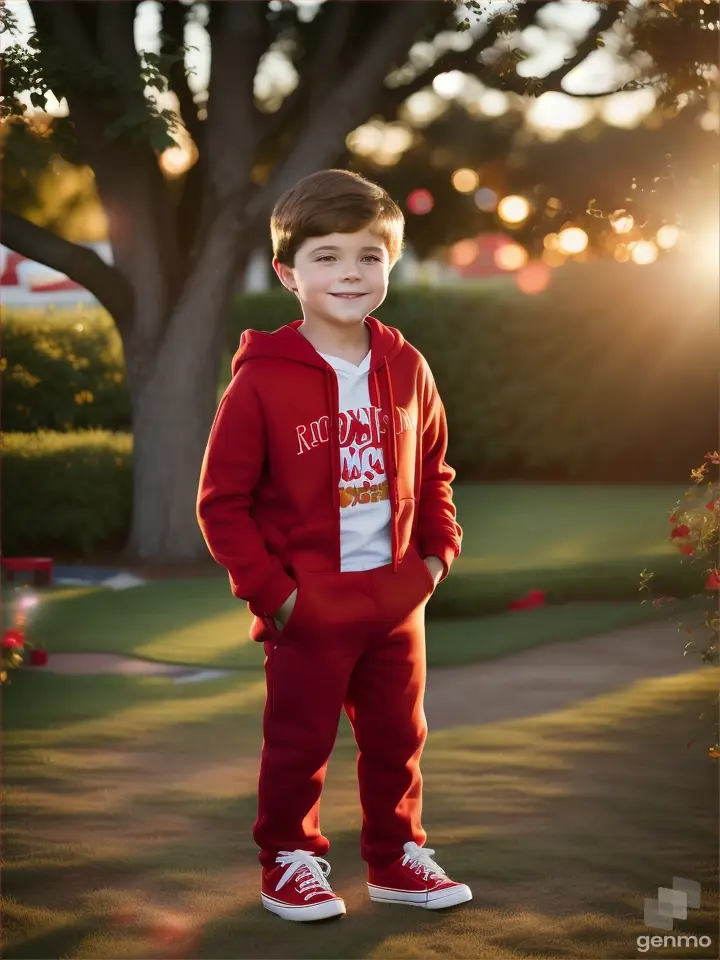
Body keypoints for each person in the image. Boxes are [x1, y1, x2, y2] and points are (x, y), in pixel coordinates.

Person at [196, 169, 470, 923]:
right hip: (309, 601)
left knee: (399, 740)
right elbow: (222, 505)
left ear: (390, 264)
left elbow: (437, 471)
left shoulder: (408, 368)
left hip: (395, 595)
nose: (350, 272)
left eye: (368, 256)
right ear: (288, 273)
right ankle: (290, 861)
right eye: (327, 256)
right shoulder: (259, 384)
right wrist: (277, 596)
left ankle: (396, 858)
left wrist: (434, 561)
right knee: (298, 745)